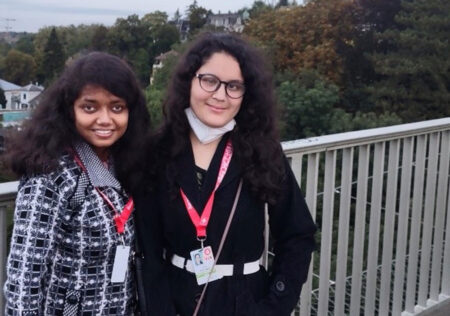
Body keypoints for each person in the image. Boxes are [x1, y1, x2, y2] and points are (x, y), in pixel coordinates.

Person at [134, 32, 317, 315]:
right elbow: (148, 248)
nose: (220, 95)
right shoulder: (157, 151)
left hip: (245, 301)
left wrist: (273, 306)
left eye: (234, 86)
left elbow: (297, 234)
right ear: (189, 81)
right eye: (209, 81)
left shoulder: (261, 151)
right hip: (176, 300)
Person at [3, 52, 150, 315]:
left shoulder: (123, 163)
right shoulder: (51, 176)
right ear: (69, 110)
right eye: (89, 107)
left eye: (117, 107)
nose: (105, 119)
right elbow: (24, 279)